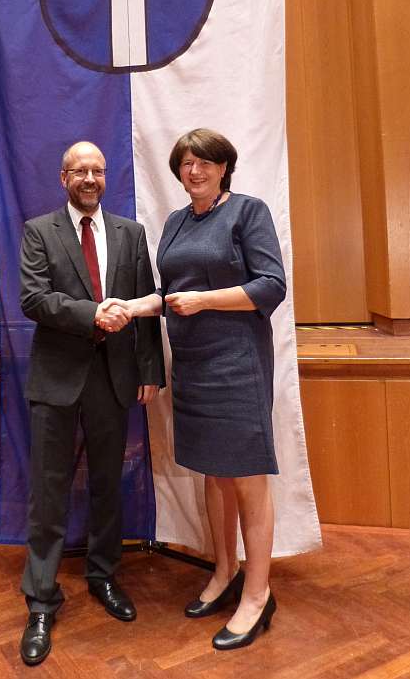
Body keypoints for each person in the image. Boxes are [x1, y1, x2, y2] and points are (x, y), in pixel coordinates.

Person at [99, 128, 286, 651]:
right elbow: (169, 293)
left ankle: (257, 592)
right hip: (194, 366)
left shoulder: (249, 212)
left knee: (247, 477)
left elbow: (271, 285)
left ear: (224, 167)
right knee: (212, 470)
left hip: (238, 362)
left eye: (205, 162)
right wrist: (134, 307)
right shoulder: (177, 222)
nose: (194, 171)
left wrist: (205, 302)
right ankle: (224, 571)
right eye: (185, 164)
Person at [19, 141, 164, 666]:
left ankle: (103, 577)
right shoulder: (40, 231)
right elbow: (33, 298)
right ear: (63, 178)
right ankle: (40, 602)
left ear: (107, 177)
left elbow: (147, 301)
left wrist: (150, 370)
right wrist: (93, 315)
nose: (89, 178)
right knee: (49, 493)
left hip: (113, 380)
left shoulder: (131, 233)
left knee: (109, 486)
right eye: (79, 170)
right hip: (57, 381)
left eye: (97, 170)